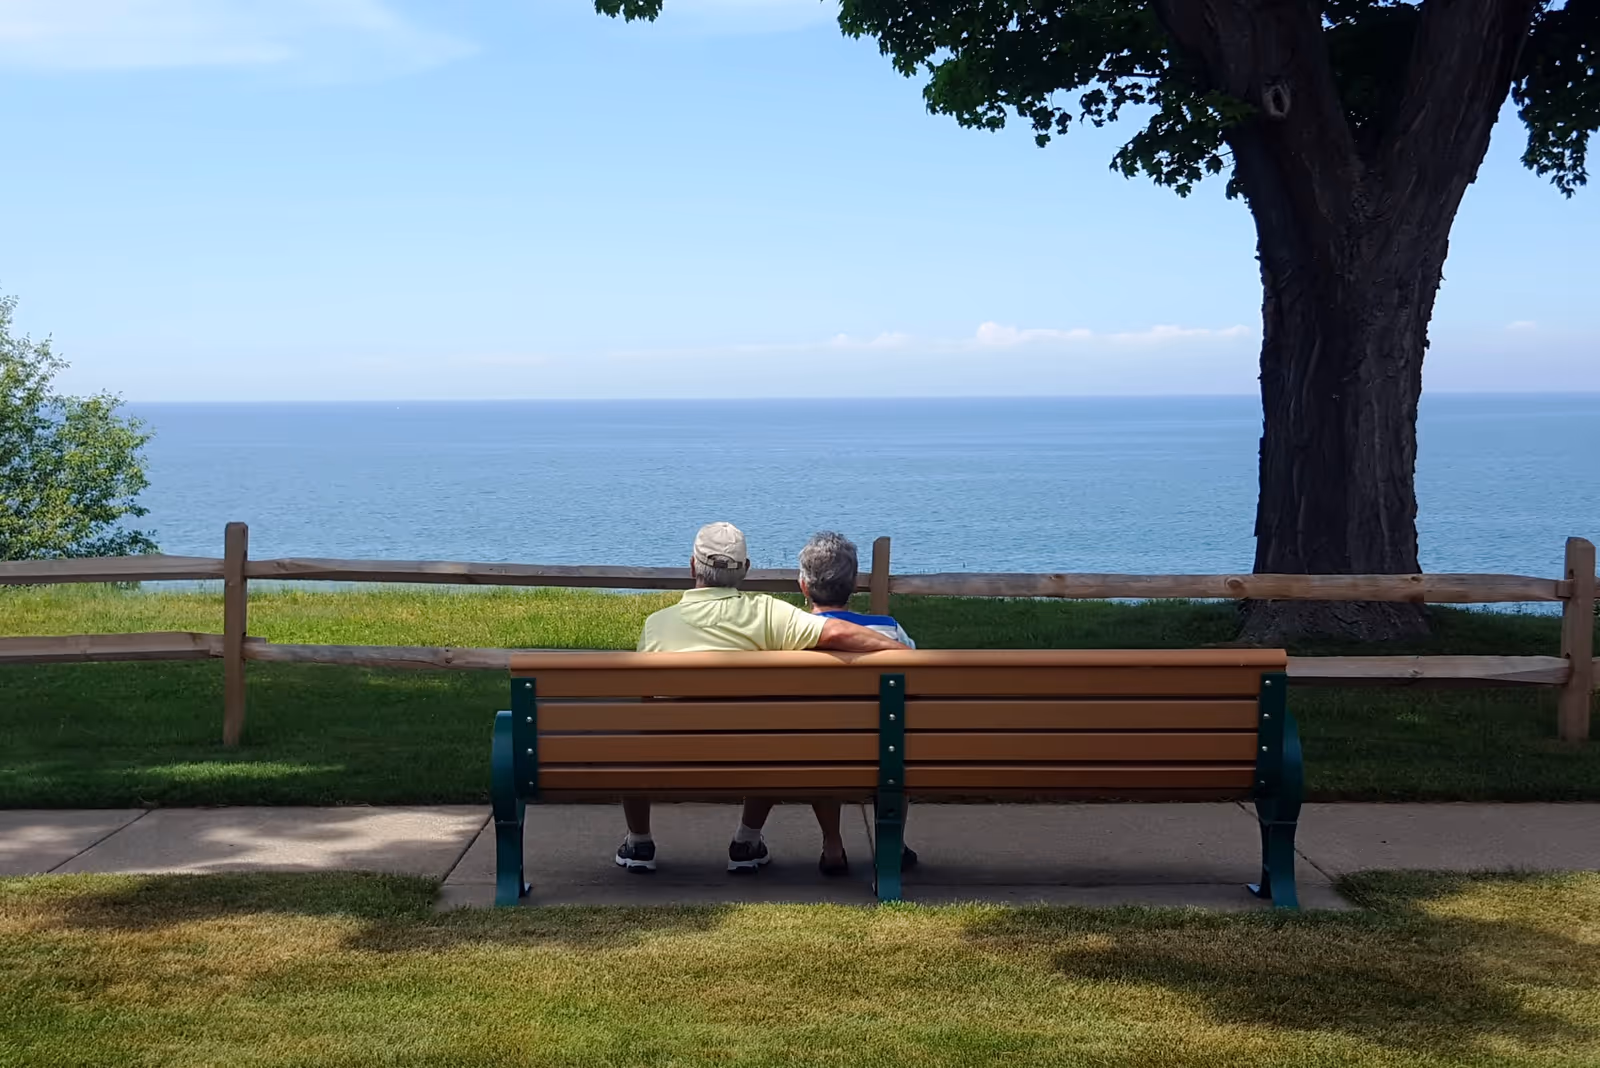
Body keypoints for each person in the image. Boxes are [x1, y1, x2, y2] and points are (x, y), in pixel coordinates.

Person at [618, 521, 907, 874]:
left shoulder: (657, 625)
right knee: (772, 733)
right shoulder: (768, 613)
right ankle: (746, 841)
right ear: (746, 569)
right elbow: (834, 631)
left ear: (693, 566)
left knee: (633, 741)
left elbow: (646, 705)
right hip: (756, 758)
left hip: (672, 757)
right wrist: (896, 650)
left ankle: (639, 843)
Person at [791, 530, 918, 876]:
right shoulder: (890, 632)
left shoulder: (790, 635)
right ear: (855, 584)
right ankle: (894, 843)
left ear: (803, 585)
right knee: (893, 743)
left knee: (819, 739)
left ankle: (832, 843)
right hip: (885, 752)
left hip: (817, 753)